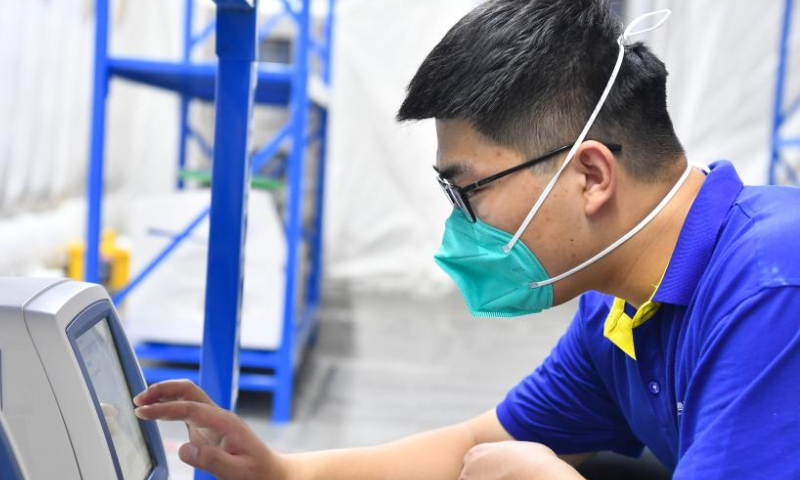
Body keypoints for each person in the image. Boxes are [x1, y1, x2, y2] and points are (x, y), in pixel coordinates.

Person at [134, 0, 800, 478]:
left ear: (591, 175)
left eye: (468, 190)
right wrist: (285, 472)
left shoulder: (773, 285)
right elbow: (476, 445)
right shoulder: (619, 312)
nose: (461, 227)